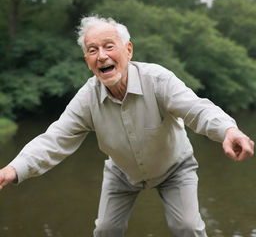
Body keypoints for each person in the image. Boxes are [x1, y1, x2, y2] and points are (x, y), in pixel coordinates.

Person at [0, 16, 254, 237]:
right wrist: (13, 169)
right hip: (122, 172)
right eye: (92, 50)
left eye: (109, 47)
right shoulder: (87, 99)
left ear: (128, 50)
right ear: (87, 60)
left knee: (187, 227)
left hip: (175, 168)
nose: (101, 56)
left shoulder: (158, 80)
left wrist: (228, 130)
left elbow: (197, 109)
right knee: (105, 230)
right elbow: (54, 139)